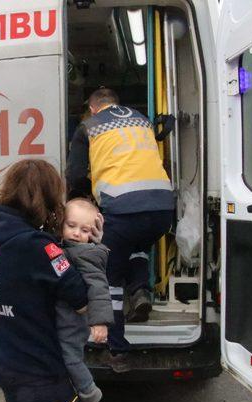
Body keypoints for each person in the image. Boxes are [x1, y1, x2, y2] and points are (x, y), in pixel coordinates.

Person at [66, 88, 174, 372]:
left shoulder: (88, 126)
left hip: (123, 210)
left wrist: (79, 201)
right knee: (138, 245)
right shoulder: (141, 119)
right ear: (115, 102)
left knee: (108, 279)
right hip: (163, 208)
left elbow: (76, 173)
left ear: (92, 108)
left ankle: (118, 351)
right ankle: (140, 290)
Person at [0, 159, 87, 402]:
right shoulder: (37, 246)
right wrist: (90, 249)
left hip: (6, 361)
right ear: (48, 197)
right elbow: (81, 300)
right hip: (38, 374)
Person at [56, 198, 113, 402]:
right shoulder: (65, 246)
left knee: (70, 358)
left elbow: (99, 289)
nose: (77, 233)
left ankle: (88, 391)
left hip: (72, 322)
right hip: (63, 318)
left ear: (93, 232)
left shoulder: (85, 254)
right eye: (71, 226)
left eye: (84, 229)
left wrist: (99, 322)